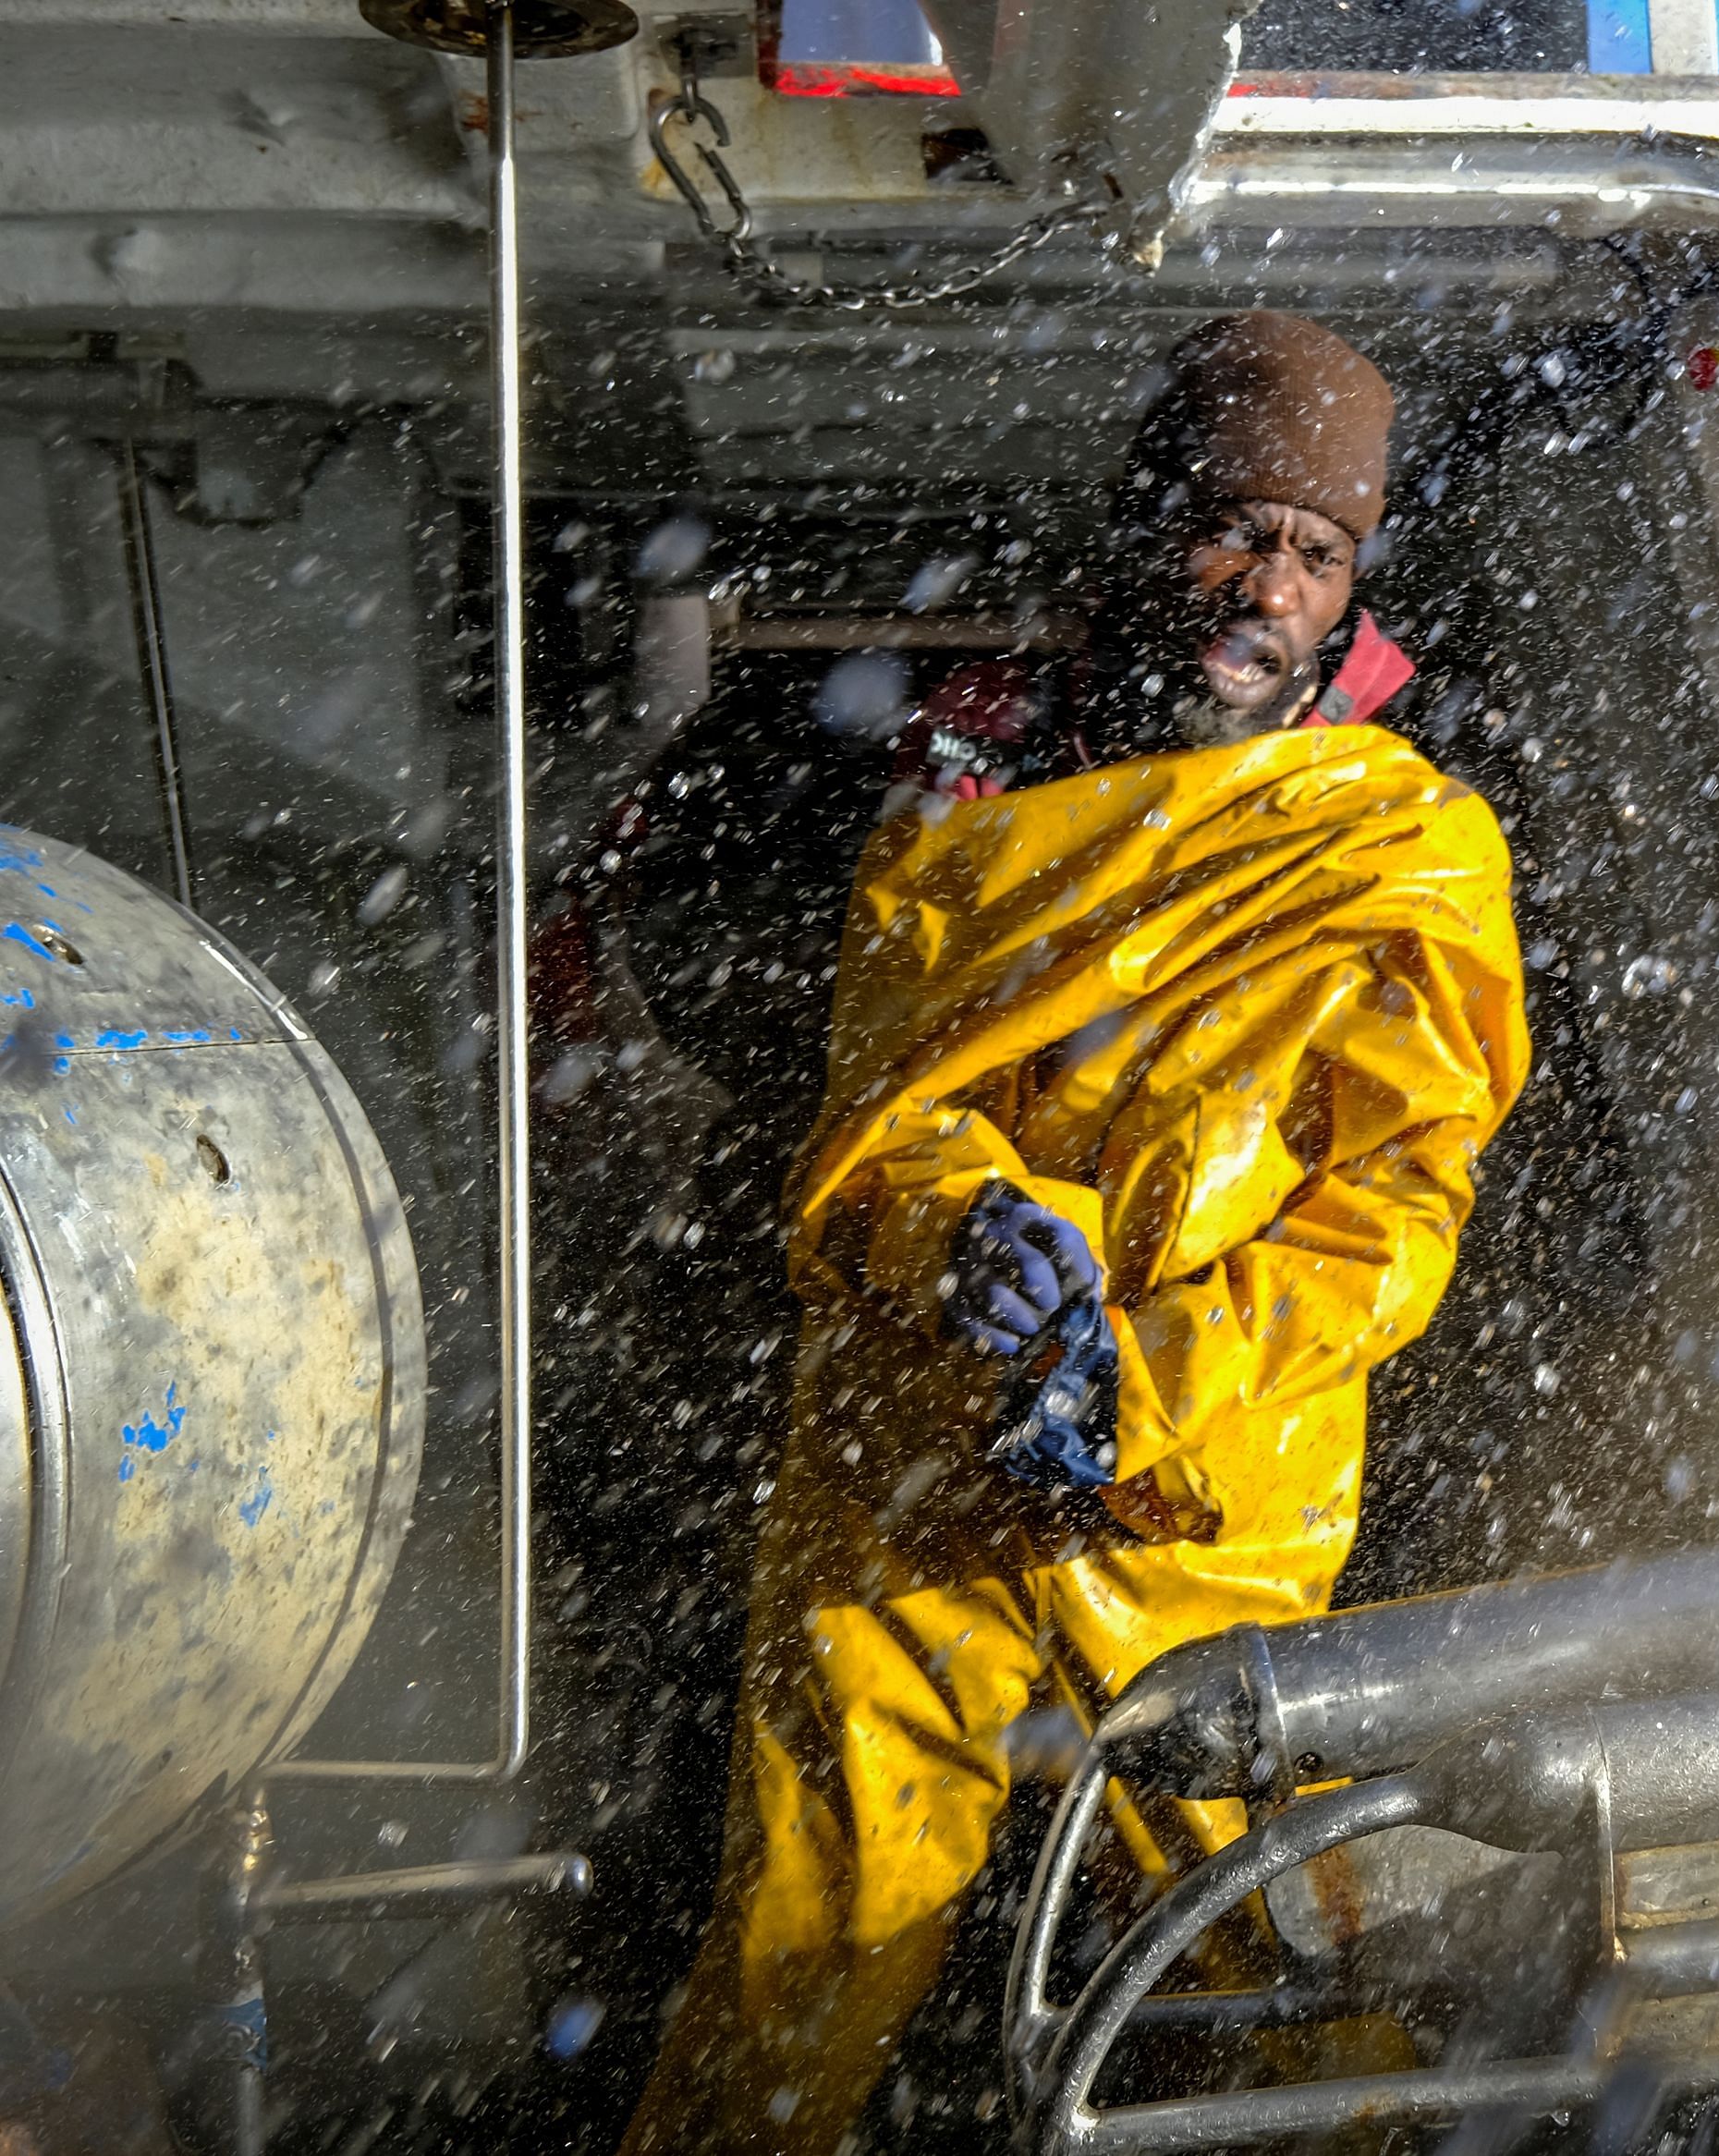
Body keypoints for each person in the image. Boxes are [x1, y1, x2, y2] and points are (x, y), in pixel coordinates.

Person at [622, 312, 1530, 2154]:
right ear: (1148, 533)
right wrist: (957, 1231)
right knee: (806, 1949)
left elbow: (1394, 1214)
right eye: (1233, 527)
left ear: (1353, 594)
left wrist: (1157, 1373)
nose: (1261, 582)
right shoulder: (976, 803)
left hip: (1211, 1501)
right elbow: (876, 1129)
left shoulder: (1399, 851)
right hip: (911, 1463)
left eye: (1313, 550)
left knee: (1264, 1962)